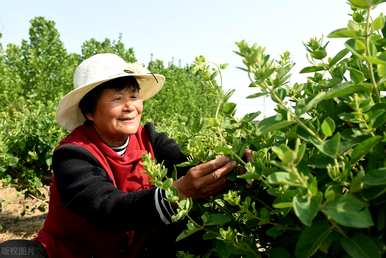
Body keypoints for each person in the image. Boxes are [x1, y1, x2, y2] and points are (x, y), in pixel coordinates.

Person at [8, 53, 237, 258]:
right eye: (117, 99)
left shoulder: (150, 138)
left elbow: (189, 165)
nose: (130, 107)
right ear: (89, 112)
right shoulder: (73, 153)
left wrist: (235, 162)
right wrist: (177, 192)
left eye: (134, 96)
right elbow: (108, 209)